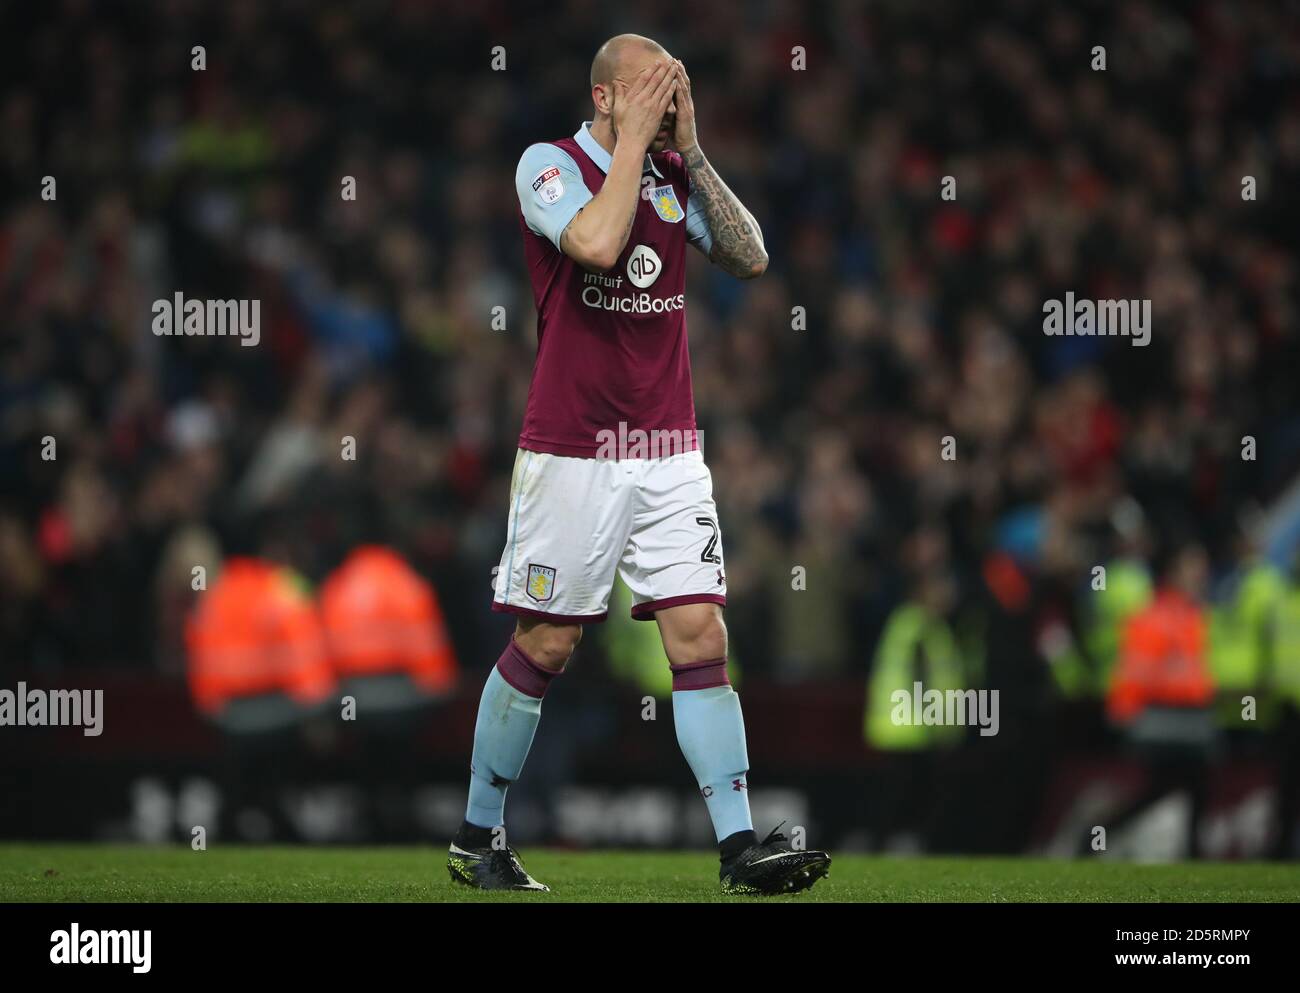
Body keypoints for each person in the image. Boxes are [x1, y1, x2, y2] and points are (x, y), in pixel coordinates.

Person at [447, 33, 830, 894]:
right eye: (653, 91)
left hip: (667, 449)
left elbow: (753, 255)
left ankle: (738, 849)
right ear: (607, 97)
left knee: (700, 634)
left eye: (676, 89)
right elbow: (592, 242)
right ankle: (479, 834)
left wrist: (688, 150)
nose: (666, 102)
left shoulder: (673, 173)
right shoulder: (547, 165)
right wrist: (632, 149)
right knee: (546, 642)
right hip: (571, 448)